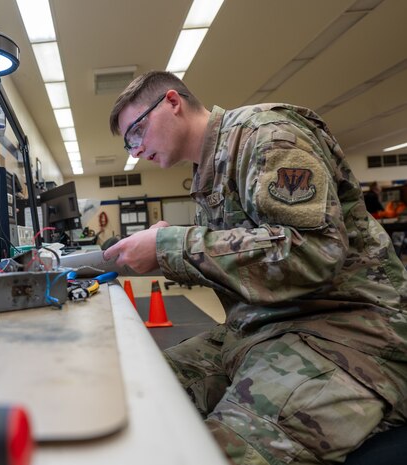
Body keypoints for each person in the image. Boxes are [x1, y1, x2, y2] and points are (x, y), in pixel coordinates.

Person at [103, 71, 407, 465]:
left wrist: (171, 246)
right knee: (137, 392)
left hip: (350, 334)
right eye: (131, 142)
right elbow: (256, 251)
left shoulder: (268, 134)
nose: (137, 149)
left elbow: (311, 252)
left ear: (173, 103)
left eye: (137, 131)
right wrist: (179, 238)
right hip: (265, 328)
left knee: (216, 454)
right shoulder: (209, 170)